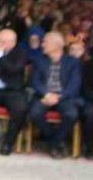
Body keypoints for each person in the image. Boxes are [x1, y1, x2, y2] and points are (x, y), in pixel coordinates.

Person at [27, 31, 83, 159]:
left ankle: (53, 143)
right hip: (44, 96)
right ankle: (57, 141)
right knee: (35, 113)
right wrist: (46, 94)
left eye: (45, 42)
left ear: (57, 46)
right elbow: (35, 81)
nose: (42, 44)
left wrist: (59, 96)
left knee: (71, 114)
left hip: (64, 97)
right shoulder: (39, 61)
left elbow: (75, 84)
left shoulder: (73, 62)